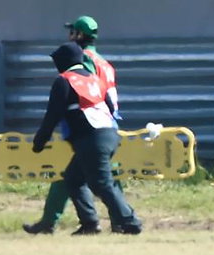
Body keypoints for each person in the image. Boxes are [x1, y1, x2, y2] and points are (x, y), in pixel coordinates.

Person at [32, 41, 142, 235]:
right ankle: (90, 224)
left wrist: (39, 142)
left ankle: (130, 221)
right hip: (108, 134)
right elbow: (110, 107)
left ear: (64, 61)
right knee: (74, 179)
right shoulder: (95, 79)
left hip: (91, 138)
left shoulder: (64, 81)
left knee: (101, 182)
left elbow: (52, 115)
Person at [23, 15, 113, 235]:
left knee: (79, 178)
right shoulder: (103, 61)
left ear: (79, 35)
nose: (69, 35)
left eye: (72, 32)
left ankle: (119, 221)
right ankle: (101, 221)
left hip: (90, 124)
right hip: (106, 121)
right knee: (83, 176)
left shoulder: (84, 60)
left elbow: (85, 89)